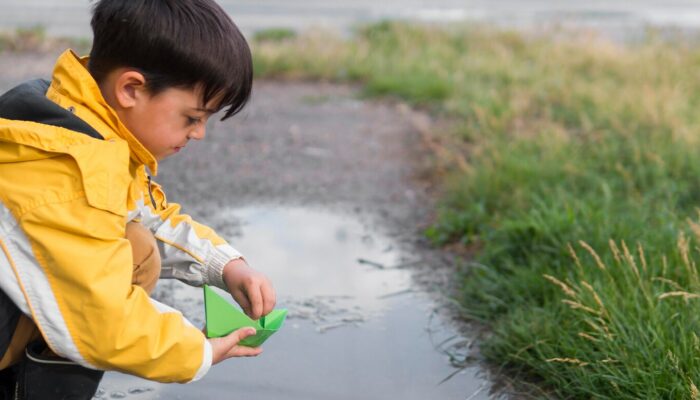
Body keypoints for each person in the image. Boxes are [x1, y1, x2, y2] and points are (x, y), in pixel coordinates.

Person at [0, 0, 276, 398]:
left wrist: (227, 266)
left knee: (136, 243)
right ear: (131, 89)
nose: (199, 134)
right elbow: (103, 322)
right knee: (119, 271)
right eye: (192, 118)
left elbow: (150, 217)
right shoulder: (66, 168)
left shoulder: (78, 121)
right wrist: (197, 351)